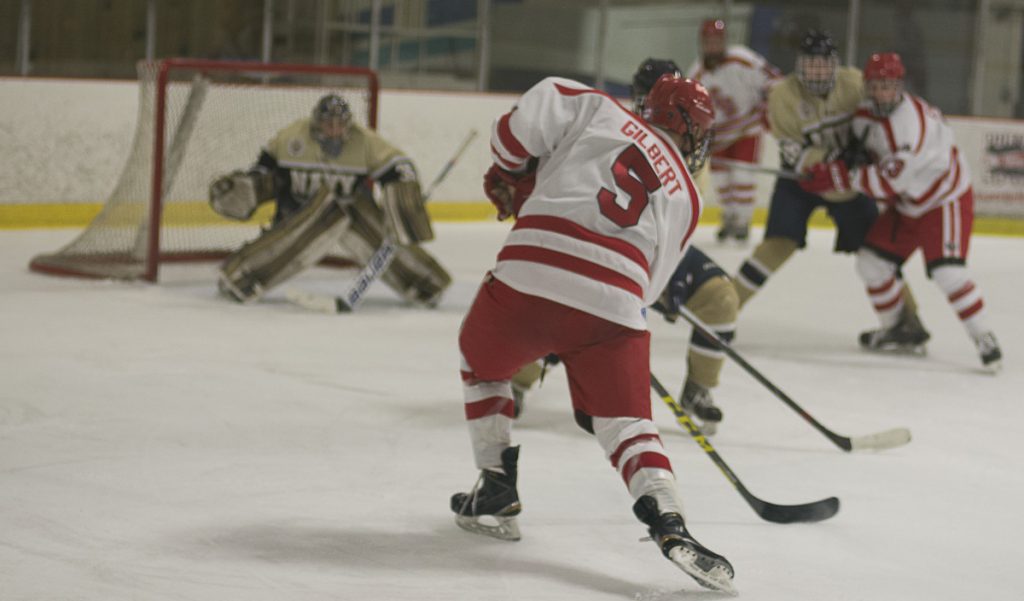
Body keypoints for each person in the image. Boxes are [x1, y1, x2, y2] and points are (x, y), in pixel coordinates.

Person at [450, 74, 736, 594]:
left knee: (480, 361)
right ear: (693, 132)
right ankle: (669, 518)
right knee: (626, 424)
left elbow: (510, 135)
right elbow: (649, 288)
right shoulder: (688, 195)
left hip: (530, 274)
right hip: (614, 306)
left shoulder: (594, 107)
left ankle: (494, 481)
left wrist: (513, 171)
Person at [511, 58, 741, 436]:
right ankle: (516, 382)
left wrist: (652, 280)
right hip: (591, 244)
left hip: (649, 251)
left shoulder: (685, 143)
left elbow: (678, 220)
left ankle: (698, 390)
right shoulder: (604, 129)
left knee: (720, 298)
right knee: (557, 308)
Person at [799, 53, 1003, 370]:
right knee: (871, 264)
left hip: (942, 200)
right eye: (877, 86)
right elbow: (859, 155)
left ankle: (984, 337)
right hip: (907, 203)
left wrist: (838, 177)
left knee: (947, 272)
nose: (883, 93)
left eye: (889, 86)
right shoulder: (864, 115)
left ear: (900, 86)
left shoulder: (912, 127)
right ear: (868, 87)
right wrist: (835, 164)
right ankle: (899, 329)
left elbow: (888, 182)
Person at [208, 94, 451, 306]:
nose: (333, 129)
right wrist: (248, 186)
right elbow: (264, 170)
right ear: (316, 122)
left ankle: (425, 282)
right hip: (297, 212)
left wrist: (403, 190)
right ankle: (240, 276)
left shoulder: (364, 141)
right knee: (290, 243)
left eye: (339, 123)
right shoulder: (293, 137)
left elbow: (399, 166)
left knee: (371, 232)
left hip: (351, 213)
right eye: (327, 123)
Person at [732, 30, 881, 312]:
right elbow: (793, 152)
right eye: (811, 64)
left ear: (835, 64)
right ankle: (724, 306)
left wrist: (862, 159)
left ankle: (904, 320)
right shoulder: (782, 96)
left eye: (823, 64)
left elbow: (876, 127)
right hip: (800, 182)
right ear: (800, 65)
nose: (817, 71)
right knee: (777, 245)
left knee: (877, 251)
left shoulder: (855, 84)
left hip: (847, 184)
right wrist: (836, 159)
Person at [686, 19, 781, 242]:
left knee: (742, 175)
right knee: (720, 180)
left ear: (724, 41)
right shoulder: (697, 72)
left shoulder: (741, 58)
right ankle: (729, 217)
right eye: (708, 41)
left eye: (717, 41)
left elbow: (773, 79)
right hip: (718, 137)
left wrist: (771, 106)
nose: (713, 46)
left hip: (747, 127)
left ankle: (743, 221)